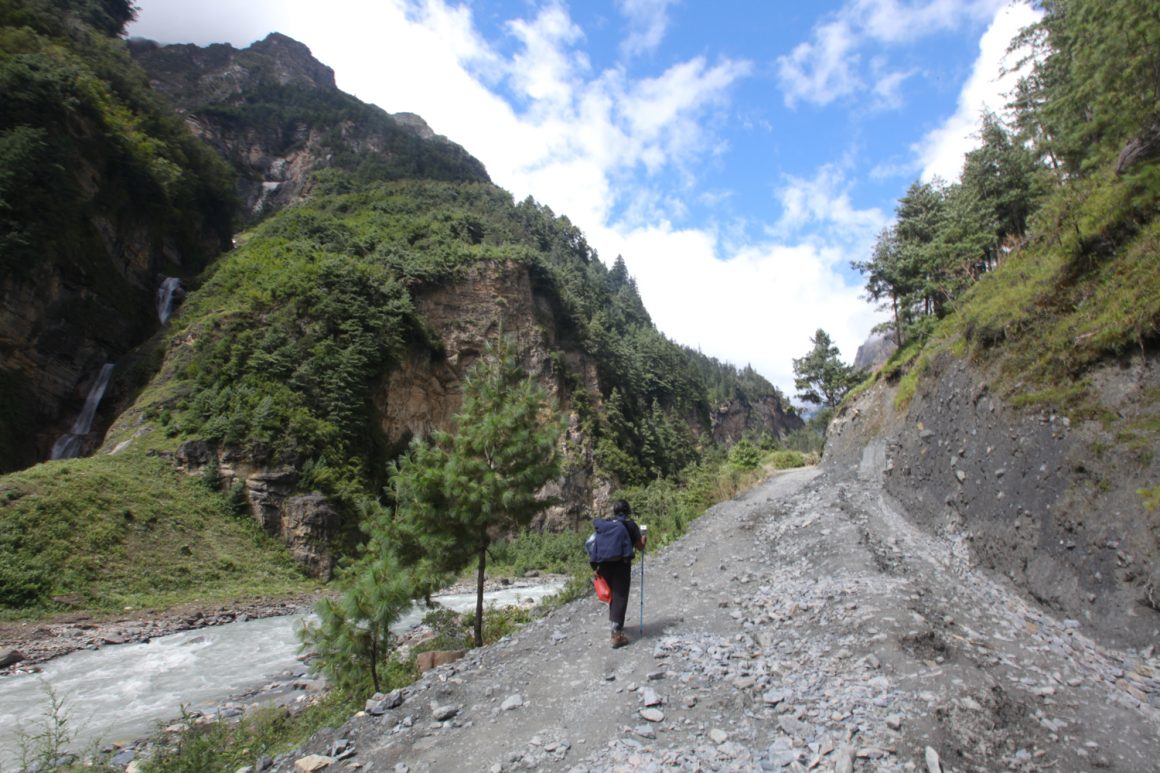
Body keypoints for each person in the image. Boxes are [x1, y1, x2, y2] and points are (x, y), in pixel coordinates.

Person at [596, 499, 646, 648]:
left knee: (612, 595)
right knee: (620, 595)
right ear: (628, 510)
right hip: (621, 565)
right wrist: (644, 536)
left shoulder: (606, 523)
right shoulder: (630, 525)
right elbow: (640, 546)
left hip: (603, 564)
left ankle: (616, 623)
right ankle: (616, 634)